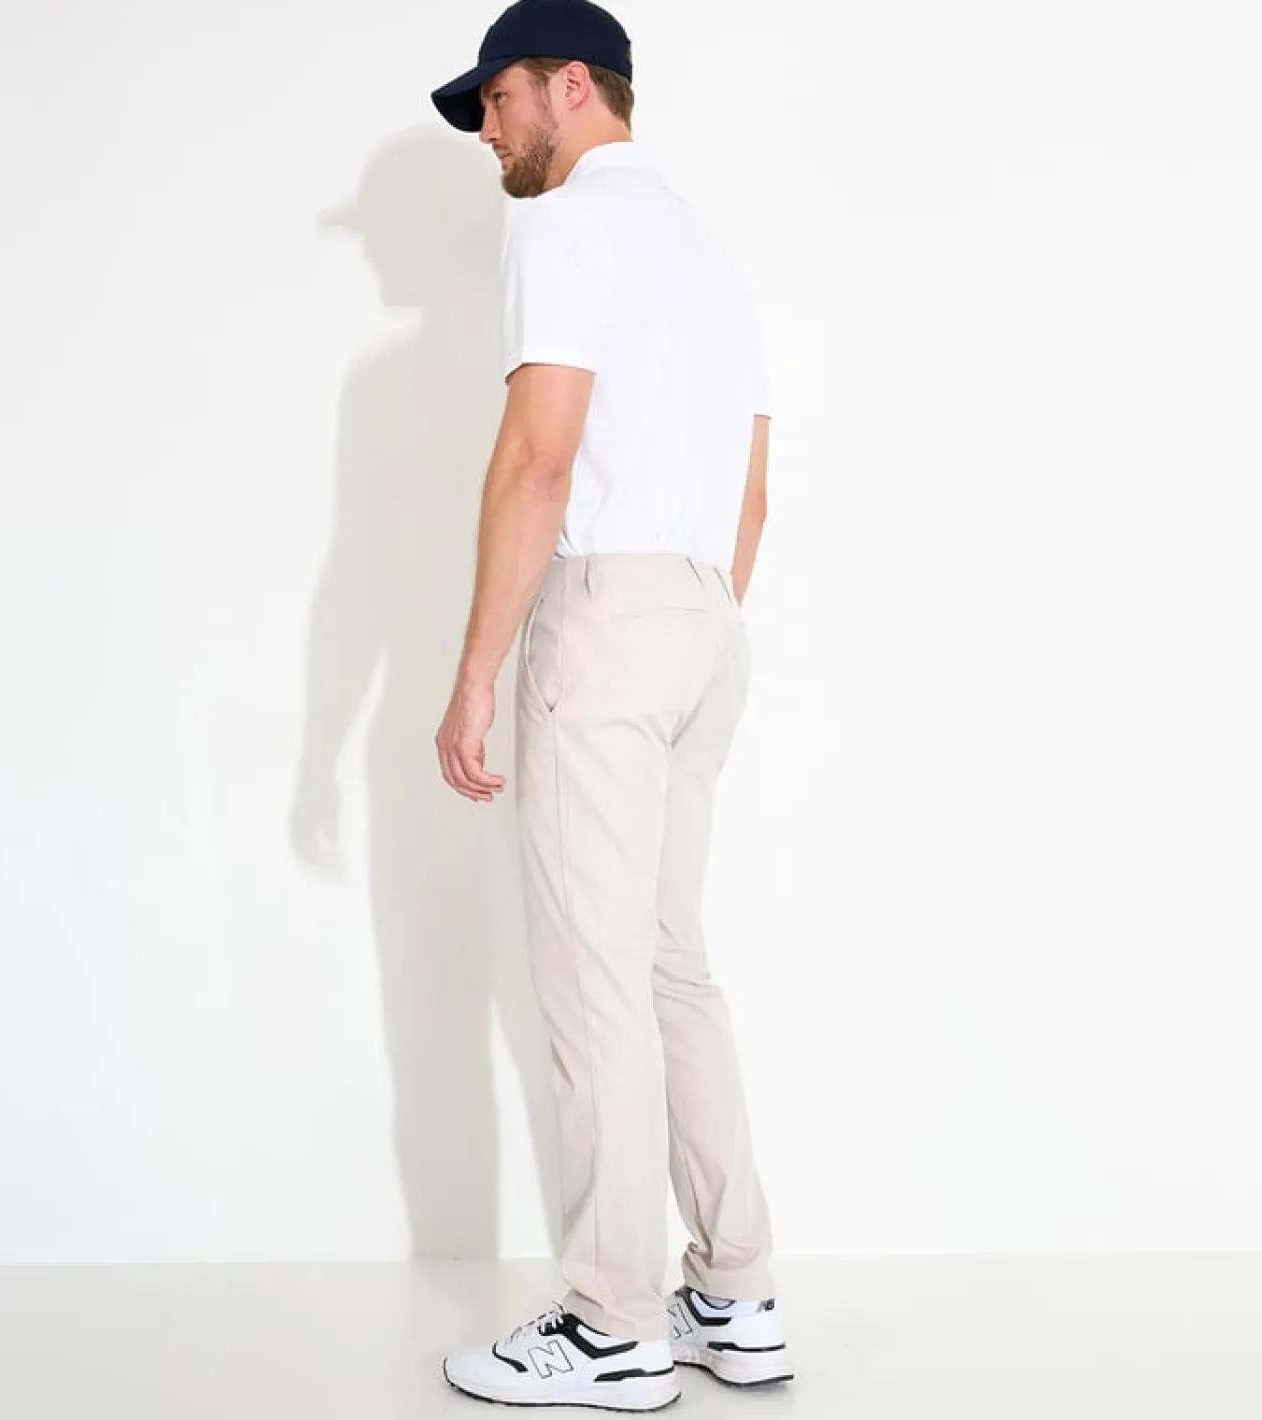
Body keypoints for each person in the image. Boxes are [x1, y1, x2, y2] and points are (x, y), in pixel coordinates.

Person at [429, 0, 791, 1408]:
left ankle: (612, 1323)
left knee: (597, 986)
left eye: (498, 101)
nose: (489, 133)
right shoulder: (707, 251)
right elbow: (753, 490)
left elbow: (539, 458)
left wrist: (478, 670)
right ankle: (735, 1293)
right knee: (667, 968)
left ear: (571, 85)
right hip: (704, 619)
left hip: (610, 615)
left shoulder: (566, 227)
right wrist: (693, 624)